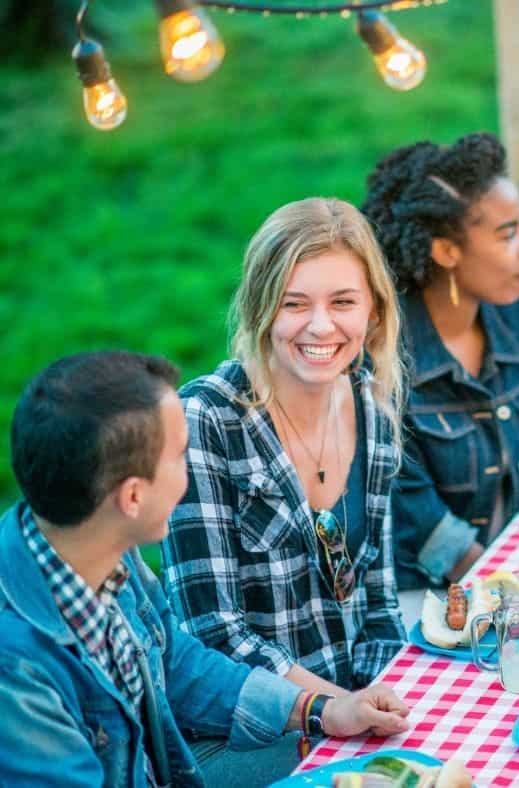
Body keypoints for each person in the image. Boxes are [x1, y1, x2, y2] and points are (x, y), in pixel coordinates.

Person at [0, 351, 409, 788]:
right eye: (180, 454)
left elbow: (176, 662)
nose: (191, 466)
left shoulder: (97, 548)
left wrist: (320, 709)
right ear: (133, 497)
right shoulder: (16, 670)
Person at [162, 198, 407, 697]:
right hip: (252, 728)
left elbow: (379, 603)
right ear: (260, 308)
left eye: (343, 302)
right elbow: (213, 631)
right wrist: (337, 709)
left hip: (359, 703)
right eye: (294, 303)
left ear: (373, 311)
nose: (321, 326)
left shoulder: (372, 404)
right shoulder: (205, 421)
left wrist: (390, 694)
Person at [361, 132, 519, 593]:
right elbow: (413, 512)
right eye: (507, 234)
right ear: (446, 251)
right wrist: (509, 591)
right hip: (425, 595)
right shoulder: (381, 357)